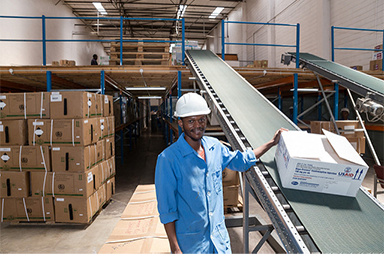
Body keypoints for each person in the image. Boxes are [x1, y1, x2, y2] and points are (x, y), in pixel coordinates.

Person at [155, 92, 286, 254]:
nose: (197, 125)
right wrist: (175, 248)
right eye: (191, 121)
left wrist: (272, 143)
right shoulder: (168, 159)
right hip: (192, 244)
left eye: (201, 119)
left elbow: (242, 161)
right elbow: (167, 210)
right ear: (181, 123)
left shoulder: (215, 147)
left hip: (219, 241)